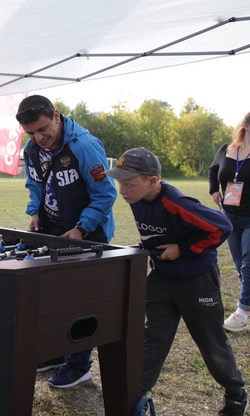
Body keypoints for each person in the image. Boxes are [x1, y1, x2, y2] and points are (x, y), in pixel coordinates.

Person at [105, 147, 248, 416]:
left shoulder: (177, 202)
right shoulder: (137, 199)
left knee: (210, 341)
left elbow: (222, 228)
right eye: (120, 183)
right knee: (151, 339)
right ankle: (133, 399)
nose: (122, 190)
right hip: (161, 278)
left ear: (152, 181)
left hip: (197, 280)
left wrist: (183, 248)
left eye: (129, 184)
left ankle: (235, 396)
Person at [15, 94, 116, 388]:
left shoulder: (84, 146)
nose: (39, 137)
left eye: (43, 128)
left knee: (80, 300)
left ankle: (79, 364)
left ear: (57, 116)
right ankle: (56, 353)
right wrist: (35, 211)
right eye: (31, 132)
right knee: (52, 296)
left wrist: (81, 230)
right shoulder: (31, 149)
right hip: (51, 231)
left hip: (87, 235)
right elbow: (34, 184)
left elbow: (105, 194)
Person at [209, 112, 250, 332]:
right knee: (240, 267)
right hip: (229, 216)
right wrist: (214, 191)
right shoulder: (226, 149)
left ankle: (241, 313)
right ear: (245, 125)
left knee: (248, 263)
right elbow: (214, 170)